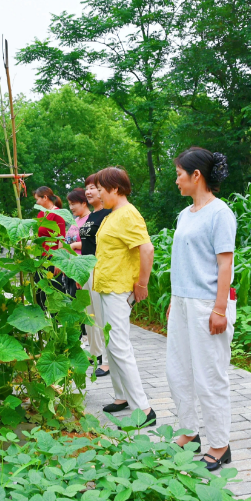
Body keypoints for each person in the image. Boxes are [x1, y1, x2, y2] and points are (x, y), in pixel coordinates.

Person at [166, 147, 237, 472]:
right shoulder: (185, 214)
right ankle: (189, 432)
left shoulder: (220, 213)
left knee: (210, 376)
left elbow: (225, 265)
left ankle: (220, 444)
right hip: (182, 303)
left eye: (180, 173)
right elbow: (181, 263)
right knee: (178, 372)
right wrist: (173, 300)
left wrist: (220, 309)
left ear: (196, 176)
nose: (176, 179)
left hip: (209, 304)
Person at [93, 167, 155, 425]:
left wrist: (142, 284)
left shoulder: (128, 214)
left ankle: (144, 410)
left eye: (100, 189)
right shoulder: (112, 214)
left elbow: (146, 248)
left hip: (119, 289)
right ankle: (122, 397)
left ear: (115, 189)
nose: (96, 193)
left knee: (119, 346)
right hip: (107, 286)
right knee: (111, 345)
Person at [79, 176, 111, 377]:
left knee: (101, 315)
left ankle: (107, 361)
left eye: (93, 188)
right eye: (87, 188)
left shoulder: (108, 214)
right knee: (88, 314)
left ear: (102, 190)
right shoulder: (92, 216)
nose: (89, 192)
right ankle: (94, 353)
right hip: (85, 268)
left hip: (99, 268)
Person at [33, 186, 67, 309]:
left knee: (54, 291)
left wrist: (59, 261)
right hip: (41, 257)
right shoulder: (41, 214)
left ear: (45, 197)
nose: (36, 202)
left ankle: (56, 323)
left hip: (53, 257)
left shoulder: (58, 213)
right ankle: (44, 322)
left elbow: (61, 238)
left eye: (37, 199)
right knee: (40, 291)